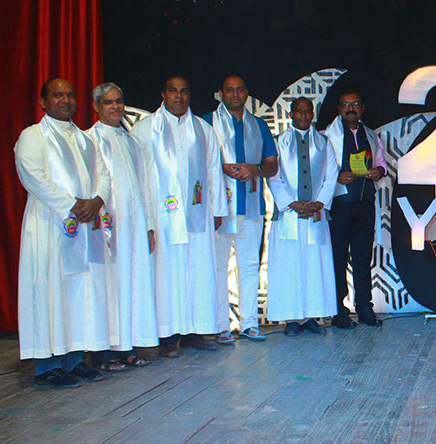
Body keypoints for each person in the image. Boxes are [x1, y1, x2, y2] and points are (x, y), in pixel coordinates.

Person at [15, 78, 110, 388]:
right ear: (43, 102)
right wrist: (73, 205)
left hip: (83, 227)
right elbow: (34, 177)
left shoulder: (85, 139)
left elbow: (103, 174)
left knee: (78, 293)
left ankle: (74, 359)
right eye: (57, 95)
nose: (65, 100)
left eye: (70, 95)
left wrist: (97, 201)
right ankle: (47, 365)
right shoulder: (33, 136)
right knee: (50, 292)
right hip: (50, 226)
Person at [131, 75, 226, 357]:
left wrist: (218, 209)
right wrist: (146, 219)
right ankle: (167, 334)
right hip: (162, 217)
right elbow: (139, 178)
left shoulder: (203, 130)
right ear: (163, 94)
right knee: (166, 273)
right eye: (173, 91)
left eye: (184, 91)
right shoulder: (145, 130)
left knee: (198, 269)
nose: (179, 96)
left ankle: (196, 331)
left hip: (197, 214)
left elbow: (213, 170)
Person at [86, 83, 158, 371]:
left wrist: (149, 226)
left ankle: (127, 345)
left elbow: (145, 186)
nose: (115, 107)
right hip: (106, 225)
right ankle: (104, 352)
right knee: (107, 285)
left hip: (134, 225)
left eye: (119, 101)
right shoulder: (88, 140)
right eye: (108, 102)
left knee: (133, 282)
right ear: (96, 106)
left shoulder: (132, 141)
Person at [203, 75, 278, 342]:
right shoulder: (207, 123)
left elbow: (272, 165)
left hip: (252, 204)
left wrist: (255, 169)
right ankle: (220, 325)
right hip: (219, 207)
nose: (235, 94)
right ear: (220, 93)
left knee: (249, 265)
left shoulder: (258, 125)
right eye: (229, 90)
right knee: (218, 266)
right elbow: (197, 163)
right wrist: (222, 167)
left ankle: (249, 323)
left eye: (239, 90)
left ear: (246, 93)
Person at [266, 97, 339, 336]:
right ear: (291, 114)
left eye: (307, 111)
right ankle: (292, 319)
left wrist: (319, 203)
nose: (303, 115)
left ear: (312, 115)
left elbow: (331, 175)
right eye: (299, 111)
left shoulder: (323, 143)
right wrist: (291, 203)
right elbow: (273, 176)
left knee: (314, 265)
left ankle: (310, 317)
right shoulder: (278, 142)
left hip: (315, 214)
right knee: (289, 265)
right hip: (289, 214)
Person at [324, 89, 387, 328]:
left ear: (362, 108)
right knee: (338, 258)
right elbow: (319, 168)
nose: (350, 108)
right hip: (339, 205)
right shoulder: (326, 136)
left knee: (362, 258)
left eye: (355, 104)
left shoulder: (371, 135)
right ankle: (338, 311)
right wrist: (337, 176)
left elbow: (381, 163)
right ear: (339, 109)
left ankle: (364, 308)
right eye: (345, 104)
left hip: (365, 203)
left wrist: (379, 171)